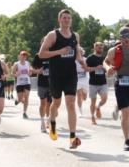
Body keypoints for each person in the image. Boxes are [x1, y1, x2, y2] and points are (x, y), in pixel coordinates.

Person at [37, 9, 81, 149]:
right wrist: (59, 52)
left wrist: (82, 62)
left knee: (70, 103)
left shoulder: (75, 36)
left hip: (71, 75)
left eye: (69, 18)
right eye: (64, 18)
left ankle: (72, 137)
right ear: (59, 20)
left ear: (71, 20)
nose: (67, 20)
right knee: (56, 103)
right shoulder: (53, 35)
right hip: (56, 76)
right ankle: (52, 121)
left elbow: (77, 53)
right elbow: (41, 54)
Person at [85, 42, 110, 125]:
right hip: (93, 83)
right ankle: (92, 117)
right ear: (94, 48)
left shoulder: (104, 58)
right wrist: (95, 68)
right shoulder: (90, 58)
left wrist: (107, 69)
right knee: (93, 101)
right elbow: (86, 69)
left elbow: (108, 68)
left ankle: (98, 107)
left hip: (103, 82)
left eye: (101, 47)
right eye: (98, 46)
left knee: (105, 99)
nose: (100, 48)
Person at [32, 53, 53, 134]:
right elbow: (32, 69)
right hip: (42, 83)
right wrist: (38, 71)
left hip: (52, 83)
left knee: (50, 104)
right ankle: (42, 122)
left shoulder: (53, 54)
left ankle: (49, 120)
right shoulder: (38, 56)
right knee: (43, 103)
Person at [12, 51, 34, 119]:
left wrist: (30, 73)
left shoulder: (28, 63)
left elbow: (30, 72)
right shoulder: (16, 64)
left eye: (25, 55)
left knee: (26, 97)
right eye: (22, 55)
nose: (24, 56)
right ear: (20, 56)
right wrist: (16, 75)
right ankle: (17, 100)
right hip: (19, 83)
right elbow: (12, 73)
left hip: (27, 82)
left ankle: (24, 112)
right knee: (20, 99)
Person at [75, 47, 91, 116]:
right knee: (79, 94)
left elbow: (89, 68)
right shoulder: (73, 61)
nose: (80, 53)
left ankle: (84, 94)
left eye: (81, 51)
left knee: (84, 97)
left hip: (85, 79)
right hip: (77, 80)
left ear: (83, 52)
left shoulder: (86, 60)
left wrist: (85, 67)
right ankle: (80, 111)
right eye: (78, 51)